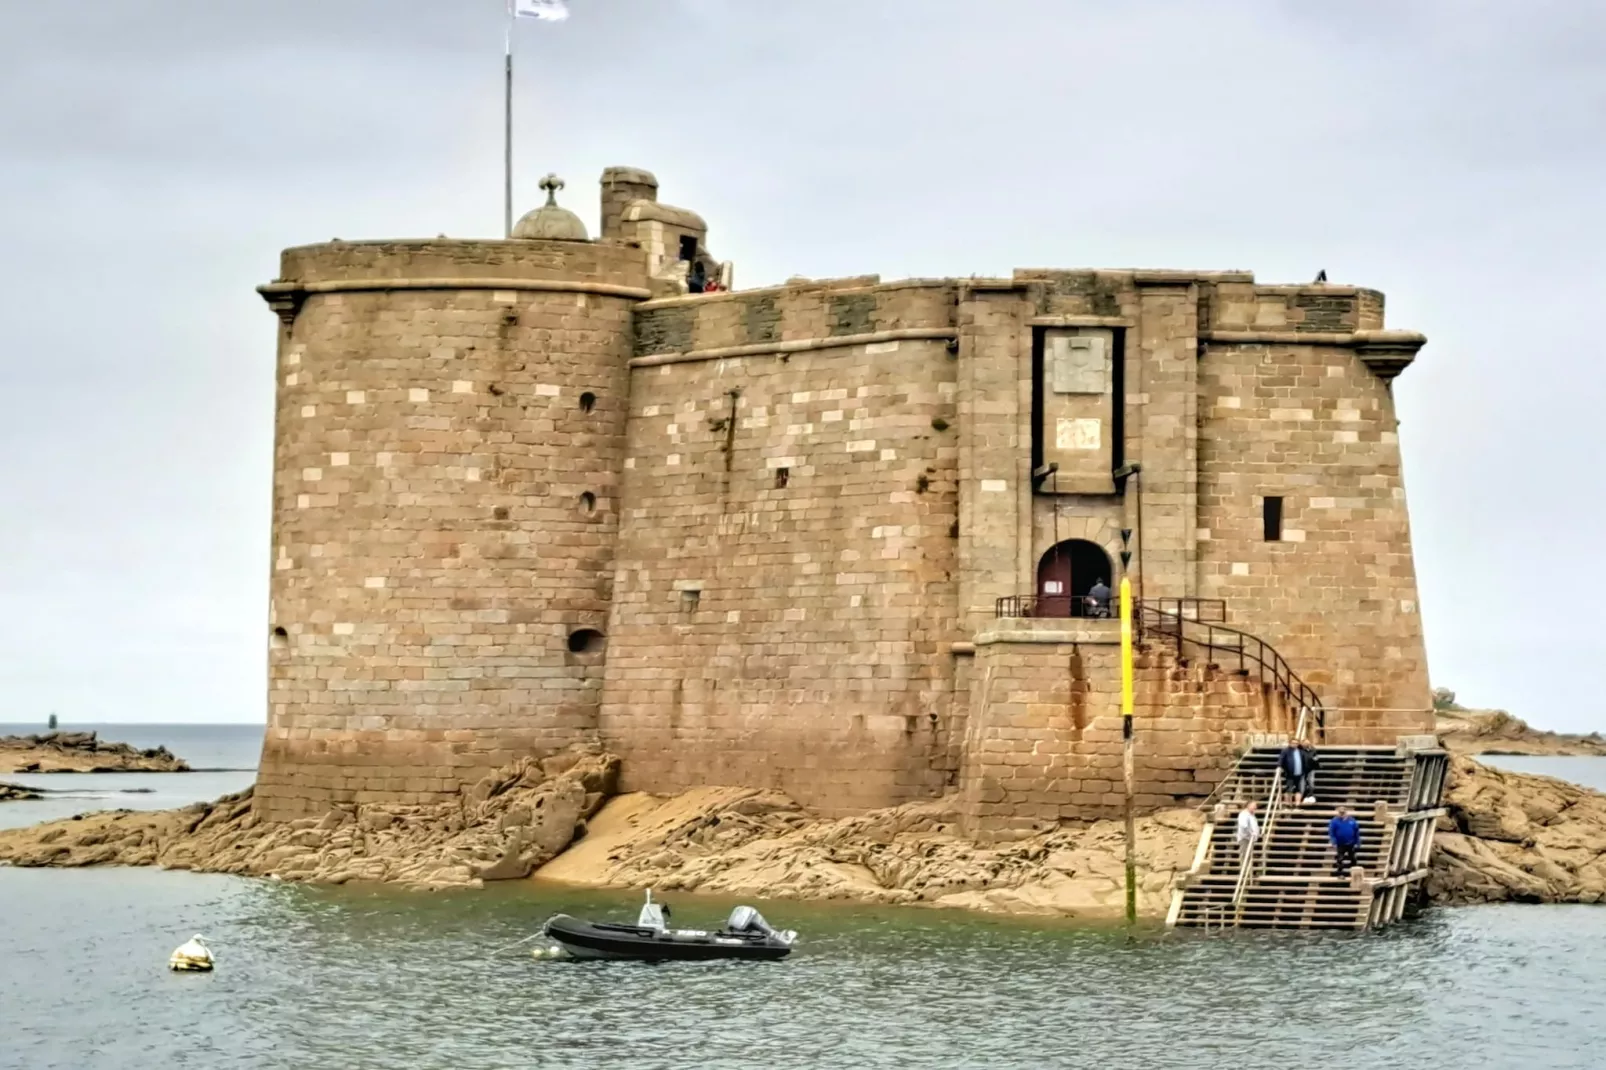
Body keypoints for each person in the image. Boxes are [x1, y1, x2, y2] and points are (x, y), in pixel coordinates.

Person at [1278, 739, 1314, 806]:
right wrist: (1279, 767)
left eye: (1296, 743)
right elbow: (1281, 759)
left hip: (1299, 774)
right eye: (1293, 743)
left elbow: (1305, 761)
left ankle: (1297, 804)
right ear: (1290, 743)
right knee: (1289, 789)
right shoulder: (1286, 751)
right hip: (1290, 774)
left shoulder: (1300, 752)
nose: (1295, 744)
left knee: (1298, 789)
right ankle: (1287, 804)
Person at [1329, 805, 1362, 878]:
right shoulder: (1334, 821)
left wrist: (1358, 841)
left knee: (1353, 858)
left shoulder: (1352, 820)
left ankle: (1354, 873)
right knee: (1340, 858)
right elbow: (1331, 832)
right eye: (1340, 812)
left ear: (1346, 812)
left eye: (1343, 812)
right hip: (1340, 843)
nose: (1342, 814)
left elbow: (1356, 831)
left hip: (1351, 843)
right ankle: (1340, 873)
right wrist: (1333, 841)